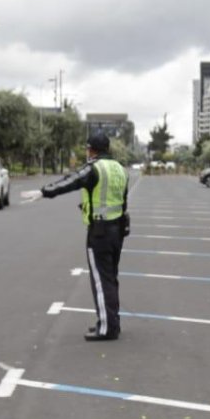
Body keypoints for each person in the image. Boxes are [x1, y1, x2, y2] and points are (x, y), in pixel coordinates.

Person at [40, 132, 130, 341]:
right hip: (117, 230)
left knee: (101, 281)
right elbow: (119, 200)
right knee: (110, 278)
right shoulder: (120, 168)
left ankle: (107, 328)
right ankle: (112, 322)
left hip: (100, 232)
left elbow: (70, 181)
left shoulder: (93, 168)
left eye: (87, 148)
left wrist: (45, 191)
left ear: (92, 149)